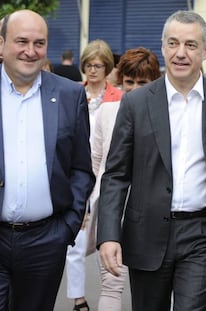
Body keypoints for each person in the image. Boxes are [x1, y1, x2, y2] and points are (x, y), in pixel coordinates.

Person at [97, 10, 206, 311]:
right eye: (173, 43)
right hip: (146, 233)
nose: (180, 53)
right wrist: (108, 235)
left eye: (190, 45)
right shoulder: (136, 103)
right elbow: (116, 175)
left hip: (203, 234)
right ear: (163, 47)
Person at [0, 9, 94, 311]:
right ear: (1, 44)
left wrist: (66, 227)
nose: (30, 51)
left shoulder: (69, 95)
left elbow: (81, 166)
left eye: (39, 43)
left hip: (46, 241)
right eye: (21, 41)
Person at [88, 47, 162, 311]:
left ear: (154, 81)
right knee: (112, 283)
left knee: (153, 289)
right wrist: (88, 206)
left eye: (142, 82)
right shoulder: (106, 113)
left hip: (152, 211)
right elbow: (96, 162)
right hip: (111, 207)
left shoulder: (165, 115)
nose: (134, 88)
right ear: (120, 82)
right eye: (129, 82)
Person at [66, 39, 123, 311]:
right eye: (88, 65)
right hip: (76, 172)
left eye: (98, 65)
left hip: (105, 175)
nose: (92, 70)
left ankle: (109, 294)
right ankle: (78, 299)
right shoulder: (73, 93)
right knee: (75, 241)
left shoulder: (120, 97)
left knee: (108, 238)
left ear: (107, 67)